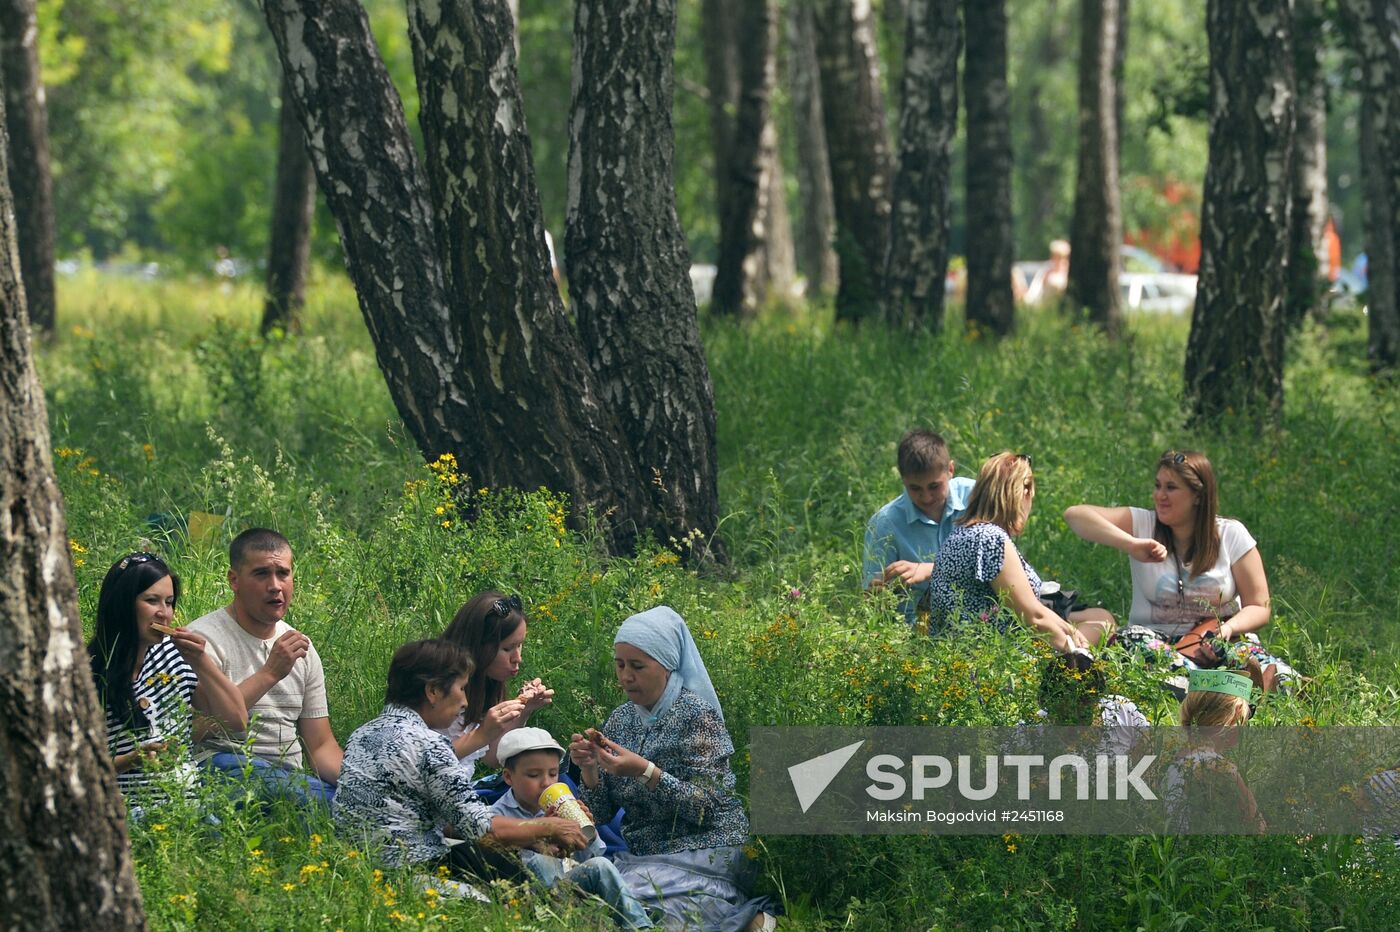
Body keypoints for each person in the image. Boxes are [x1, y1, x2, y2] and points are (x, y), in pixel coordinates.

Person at [569, 606, 775, 931]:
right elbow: (602, 814)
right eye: (620, 665)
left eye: (637, 666)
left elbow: (707, 807)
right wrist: (590, 770)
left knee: (627, 903)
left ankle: (749, 919)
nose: (626, 677)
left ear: (666, 665)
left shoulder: (697, 715)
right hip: (646, 854)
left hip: (706, 848)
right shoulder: (621, 720)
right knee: (600, 899)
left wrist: (646, 772)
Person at [335, 640, 587, 884]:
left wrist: (530, 838)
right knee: (511, 877)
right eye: (462, 688)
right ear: (433, 691)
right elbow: (481, 829)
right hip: (408, 869)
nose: (465, 702)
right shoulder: (430, 745)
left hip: (355, 867)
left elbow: (452, 822)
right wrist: (548, 827)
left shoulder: (361, 734)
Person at [1063, 450, 1296, 685]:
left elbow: (1259, 606)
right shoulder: (1143, 524)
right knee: (1131, 639)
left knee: (1259, 661)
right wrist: (1131, 544)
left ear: (1198, 496)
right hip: (1156, 642)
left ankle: (1280, 684)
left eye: (1171, 488)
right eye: (1157, 486)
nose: (1160, 495)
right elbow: (1075, 515)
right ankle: (1219, 685)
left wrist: (1226, 630)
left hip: (1218, 639)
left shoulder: (1231, 534)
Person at [190, 528, 342, 804]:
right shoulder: (202, 641)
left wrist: (359, 784)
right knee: (313, 801)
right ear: (234, 580)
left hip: (290, 779)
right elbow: (194, 730)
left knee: (356, 803)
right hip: (225, 766)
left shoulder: (302, 648)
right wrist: (270, 673)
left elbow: (320, 745)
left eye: (283, 573)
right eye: (261, 574)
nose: (275, 586)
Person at [87, 552, 247, 809]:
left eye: (169, 602)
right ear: (122, 604)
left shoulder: (171, 655)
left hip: (189, 809)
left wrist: (201, 661)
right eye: (152, 601)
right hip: (127, 813)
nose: (164, 613)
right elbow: (73, 771)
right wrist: (132, 760)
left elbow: (235, 719)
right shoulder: (89, 672)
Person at [926, 452, 1114, 651]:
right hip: (992, 656)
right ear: (1024, 492)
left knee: (1101, 620)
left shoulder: (963, 533)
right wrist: (1079, 654)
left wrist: (1069, 630)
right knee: (1101, 627)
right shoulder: (990, 539)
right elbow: (1034, 617)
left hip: (961, 651)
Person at [490, 727, 654, 928]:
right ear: (508, 777)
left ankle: (639, 925)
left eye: (553, 774)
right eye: (533, 775)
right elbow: (502, 865)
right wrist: (543, 838)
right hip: (528, 896)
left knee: (600, 864)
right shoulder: (497, 817)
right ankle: (573, 921)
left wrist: (585, 831)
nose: (546, 783)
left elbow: (589, 858)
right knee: (541, 861)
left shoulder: (561, 804)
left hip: (567, 888)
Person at [863, 429, 976, 625]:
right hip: (916, 631)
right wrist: (877, 594)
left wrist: (933, 570)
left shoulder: (976, 497)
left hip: (980, 621)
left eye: (934, 486)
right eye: (915, 488)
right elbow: (872, 603)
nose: (926, 497)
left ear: (950, 470)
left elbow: (1001, 565)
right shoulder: (885, 524)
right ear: (903, 479)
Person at [438, 591, 555, 779]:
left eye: (520, 645)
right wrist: (482, 733)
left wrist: (523, 710)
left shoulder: (488, 682)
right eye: (507, 648)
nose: (518, 658)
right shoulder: (438, 686)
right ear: (477, 646)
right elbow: (424, 761)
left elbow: (492, 757)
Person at [1164, 668, 1265, 833]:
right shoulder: (1221, 768)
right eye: (1249, 713)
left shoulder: (1172, 758)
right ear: (1235, 715)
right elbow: (1257, 829)